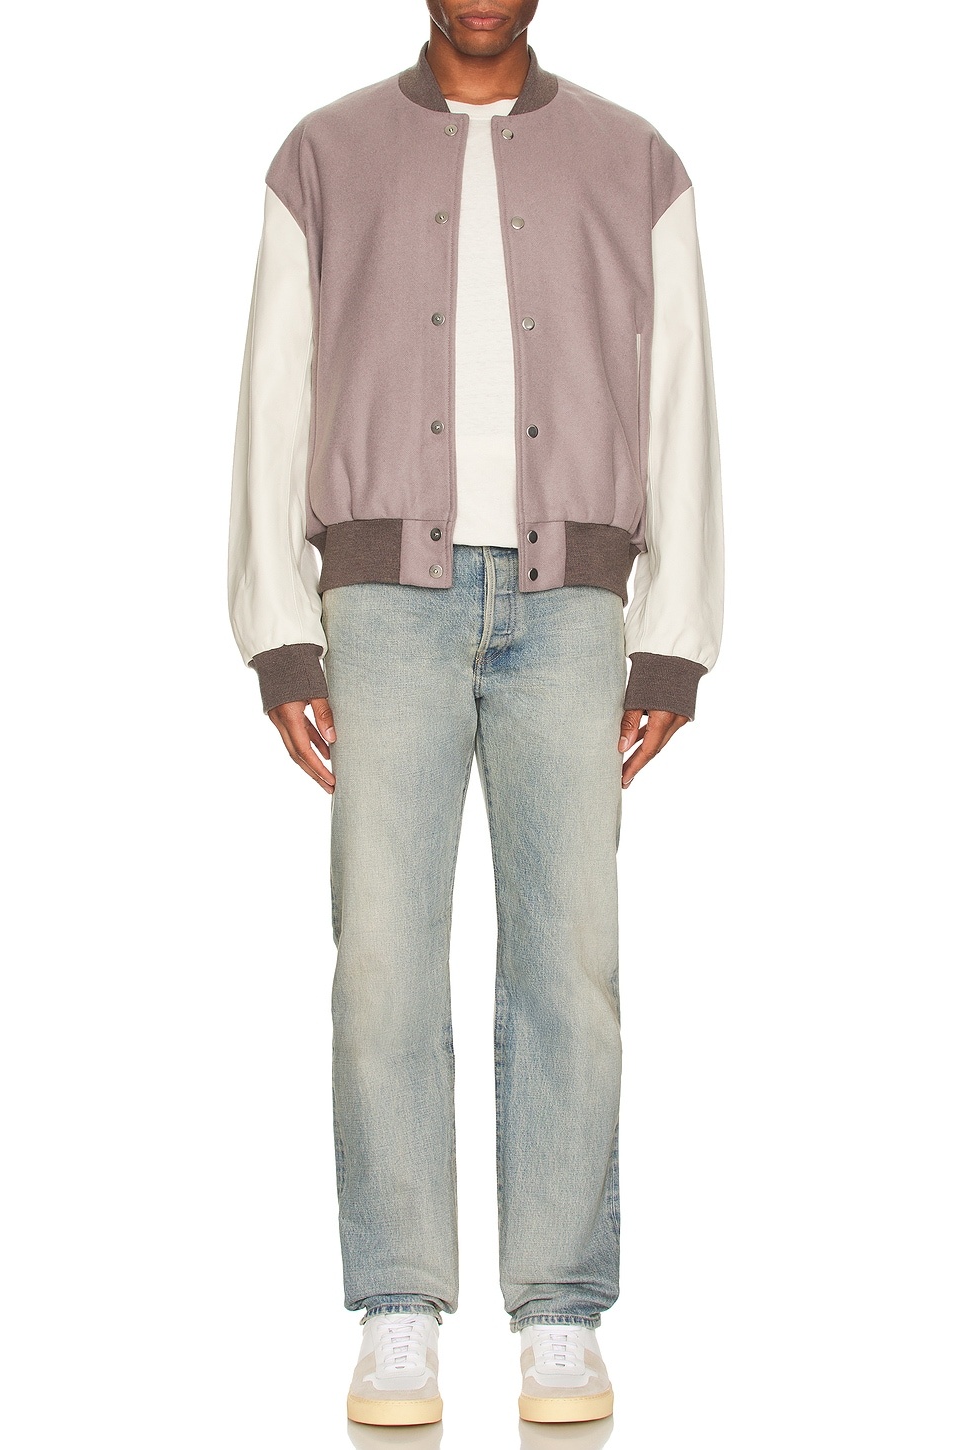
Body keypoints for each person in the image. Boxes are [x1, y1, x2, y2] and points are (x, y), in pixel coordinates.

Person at [227, 0, 723, 1427]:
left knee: (572, 958)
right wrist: (277, 623)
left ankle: (560, 1313)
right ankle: (398, 1304)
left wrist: (673, 639)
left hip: (574, 611)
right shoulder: (323, 156)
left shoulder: (638, 162)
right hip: (382, 606)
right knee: (383, 952)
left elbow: (682, 392)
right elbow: (272, 390)